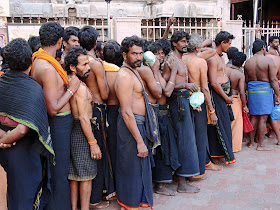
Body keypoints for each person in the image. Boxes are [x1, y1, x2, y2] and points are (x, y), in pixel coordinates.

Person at [31, 21, 80, 210]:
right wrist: (72, 90)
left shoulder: (39, 60)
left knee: (57, 169)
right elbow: (53, 108)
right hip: (58, 123)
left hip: (58, 123)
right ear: (60, 41)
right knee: (59, 171)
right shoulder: (47, 68)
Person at [0, 38, 54, 209]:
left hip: (5, 148)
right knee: (26, 192)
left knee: (13, 189)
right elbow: (23, 129)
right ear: (31, 61)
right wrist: (6, 139)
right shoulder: (33, 88)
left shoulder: (1, 82)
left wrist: (2, 137)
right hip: (24, 149)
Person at [115, 35, 154, 209]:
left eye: (140, 53)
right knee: (132, 166)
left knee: (136, 166)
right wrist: (139, 141)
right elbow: (126, 111)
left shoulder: (134, 71)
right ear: (125, 55)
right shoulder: (125, 76)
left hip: (138, 124)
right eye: (134, 54)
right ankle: (130, 204)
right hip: (132, 126)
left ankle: (135, 202)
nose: (138, 57)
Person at [78, 26, 114, 208]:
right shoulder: (95, 64)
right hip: (96, 109)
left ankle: (90, 197)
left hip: (80, 109)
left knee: (86, 152)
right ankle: (96, 197)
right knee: (98, 152)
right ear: (95, 43)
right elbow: (105, 94)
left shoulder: (76, 60)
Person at [64, 46, 102, 210]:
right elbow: (84, 118)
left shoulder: (74, 82)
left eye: (88, 63)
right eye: (84, 65)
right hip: (82, 132)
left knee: (75, 175)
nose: (88, 67)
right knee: (86, 175)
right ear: (73, 67)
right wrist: (92, 143)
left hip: (75, 130)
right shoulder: (78, 87)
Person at [163, 31, 200, 193]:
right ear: (174, 43)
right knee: (184, 142)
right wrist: (184, 86)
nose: (185, 44)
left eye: (186, 41)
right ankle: (182, 183)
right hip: (177, 103)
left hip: (185, 102)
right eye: (183, 42)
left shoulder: (181, 60)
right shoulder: (170, 61)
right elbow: (166, 88)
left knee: (187, 141)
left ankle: (183, 179)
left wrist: (193, 100)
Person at [183, 33, 220, 180]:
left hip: (185, 99)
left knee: (189, 135)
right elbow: (205, 88)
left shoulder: (182, 58)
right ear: (198, 47)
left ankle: (191, 168)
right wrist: (211, 110)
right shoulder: (200, 62)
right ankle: (198, 171)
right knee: (200, 135)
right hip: (198, 100)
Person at [245, 39, 280, 150]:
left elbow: (246, 81)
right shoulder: (268, 61)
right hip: (264, 91)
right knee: (263, 119)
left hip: (252, 91)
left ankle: (251, 142)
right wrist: (278, 94)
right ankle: (260, 145)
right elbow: (273, 80)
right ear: (263, 48)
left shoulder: (248, 62)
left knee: (254, 117)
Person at [206, 31, 236, 165]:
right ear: (222, 43)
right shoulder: (212, 58)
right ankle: (215, 155)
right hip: (217, 95)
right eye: (228, 43)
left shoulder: (221, 57)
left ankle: (222, 154)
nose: (230, 46)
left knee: (225, 124)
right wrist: (225, 97)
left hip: (224, 95)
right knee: (217, 125)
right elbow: (213, 82)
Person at [103, 40, 122, 178]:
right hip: (118, 111)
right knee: (117, 147)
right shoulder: (120, 73)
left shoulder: (99, 70)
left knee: (108, 147)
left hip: (105, 110)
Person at [226, 51, 248, 152]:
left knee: (226, 123)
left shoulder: (225, 69)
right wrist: (245, 105)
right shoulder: (239, 74)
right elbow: (242, 92)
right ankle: (234, 147)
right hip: (234, 98)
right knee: (235, 124)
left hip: (223, 97)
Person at [266, 51, 280, 144]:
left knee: (272, 113)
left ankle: (273, 133)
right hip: (276, 84)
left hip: (270, 86)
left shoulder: (265, 59)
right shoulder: (277, 59)